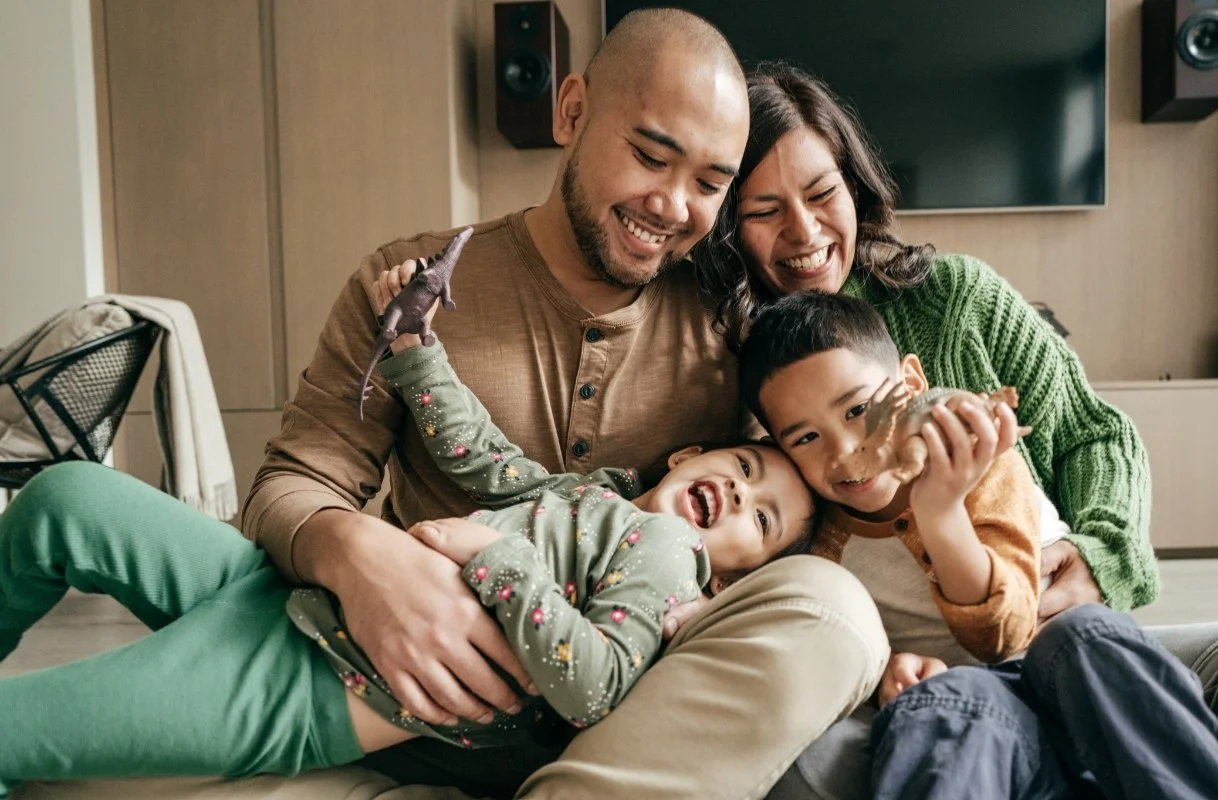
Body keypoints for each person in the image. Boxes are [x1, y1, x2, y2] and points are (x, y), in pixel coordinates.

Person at [12, 14, 886, 800]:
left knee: (43, 744)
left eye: (710, 184)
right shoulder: (415, 281)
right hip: (339, 605)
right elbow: (296, 481)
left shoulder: (730, 337)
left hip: (403, 708)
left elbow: (810, 505)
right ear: (571, 110)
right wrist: (356, 553)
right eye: (652, 157)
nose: (673, 206)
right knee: (64, 498)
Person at [694, 61, 1218, 800]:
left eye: (820, 193)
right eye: (763, 209)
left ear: (854, 185)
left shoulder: (955, 299)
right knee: (830, 755)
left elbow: (1097, 436)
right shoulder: (717, 356)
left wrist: (1102, 552)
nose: (803, 231)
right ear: (725, 224)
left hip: (1061, 644)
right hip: (925, 691)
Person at [0, 277, 820, 790]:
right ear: (691, 454)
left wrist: (499, 560)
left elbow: (594, 684)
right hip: (302, 591)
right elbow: (484, 457)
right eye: (745, 471)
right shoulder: (594, 498)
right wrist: (415, 351)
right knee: (61, 498)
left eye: (763, 521)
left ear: (737, 576)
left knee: (21, 727)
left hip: (333, 676)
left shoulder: (671, 561)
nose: (738, 499)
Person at [739, 291, 1218, 800]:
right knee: (938, 707)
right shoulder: (821, 543)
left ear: (912, 384)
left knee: (1085, 636)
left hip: (1069, 678)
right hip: (981, 710)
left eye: (858, 410)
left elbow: (1005, 631)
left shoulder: (981, 464)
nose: (846, 451)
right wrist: (884, 677)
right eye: (805, 438)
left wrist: (940, 511)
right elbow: (829, 642)